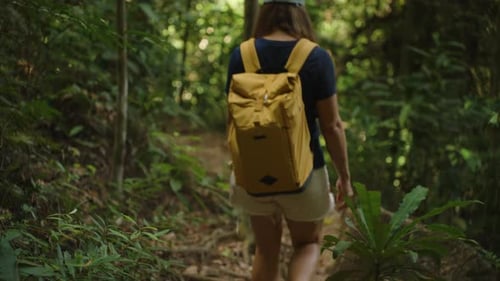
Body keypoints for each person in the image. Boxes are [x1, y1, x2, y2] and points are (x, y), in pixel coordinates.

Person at [225, 0, 352, 280]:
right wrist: (345, 176)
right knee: (307, 244)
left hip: (254, 174)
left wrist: (238, 168)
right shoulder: (316, 58)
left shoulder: (242, 55)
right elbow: (332, 126)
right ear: (301, 12)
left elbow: (232, 121)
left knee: (266, 250)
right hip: (305, 176)